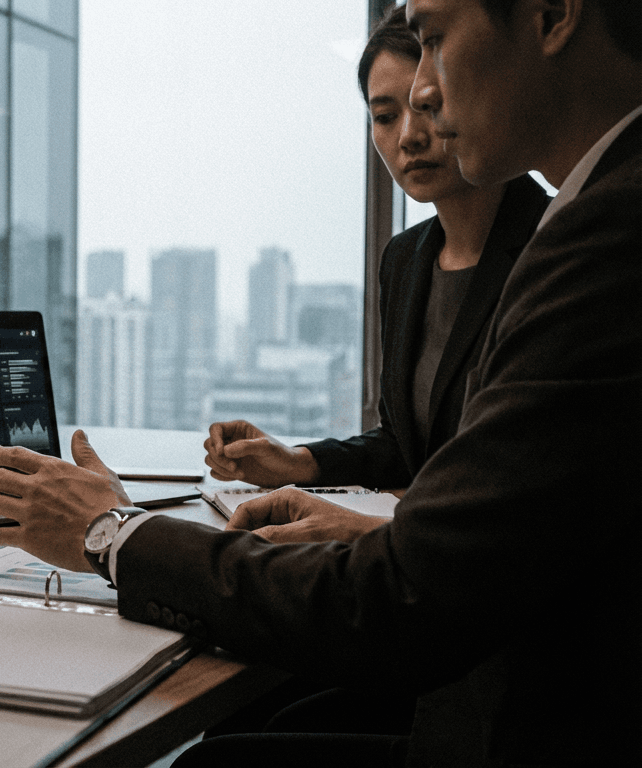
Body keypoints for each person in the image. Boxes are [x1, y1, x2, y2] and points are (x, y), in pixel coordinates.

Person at [0, 1, 642, 765]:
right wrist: (340, 492)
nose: (427, 97)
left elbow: (403, 603)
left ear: (553, 14)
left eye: (431, 38)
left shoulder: (604, 237)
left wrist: (112, 532)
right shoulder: (513, 234)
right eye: (385, 111)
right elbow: (473, 489)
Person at [203, 4, 550, 547]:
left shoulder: (554, 242)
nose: (410, 136)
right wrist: (297, 461)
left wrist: (369, 529)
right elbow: (403, 447)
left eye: (427, 105)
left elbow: (531, 486)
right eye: (385, 116)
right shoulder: (405, 259)